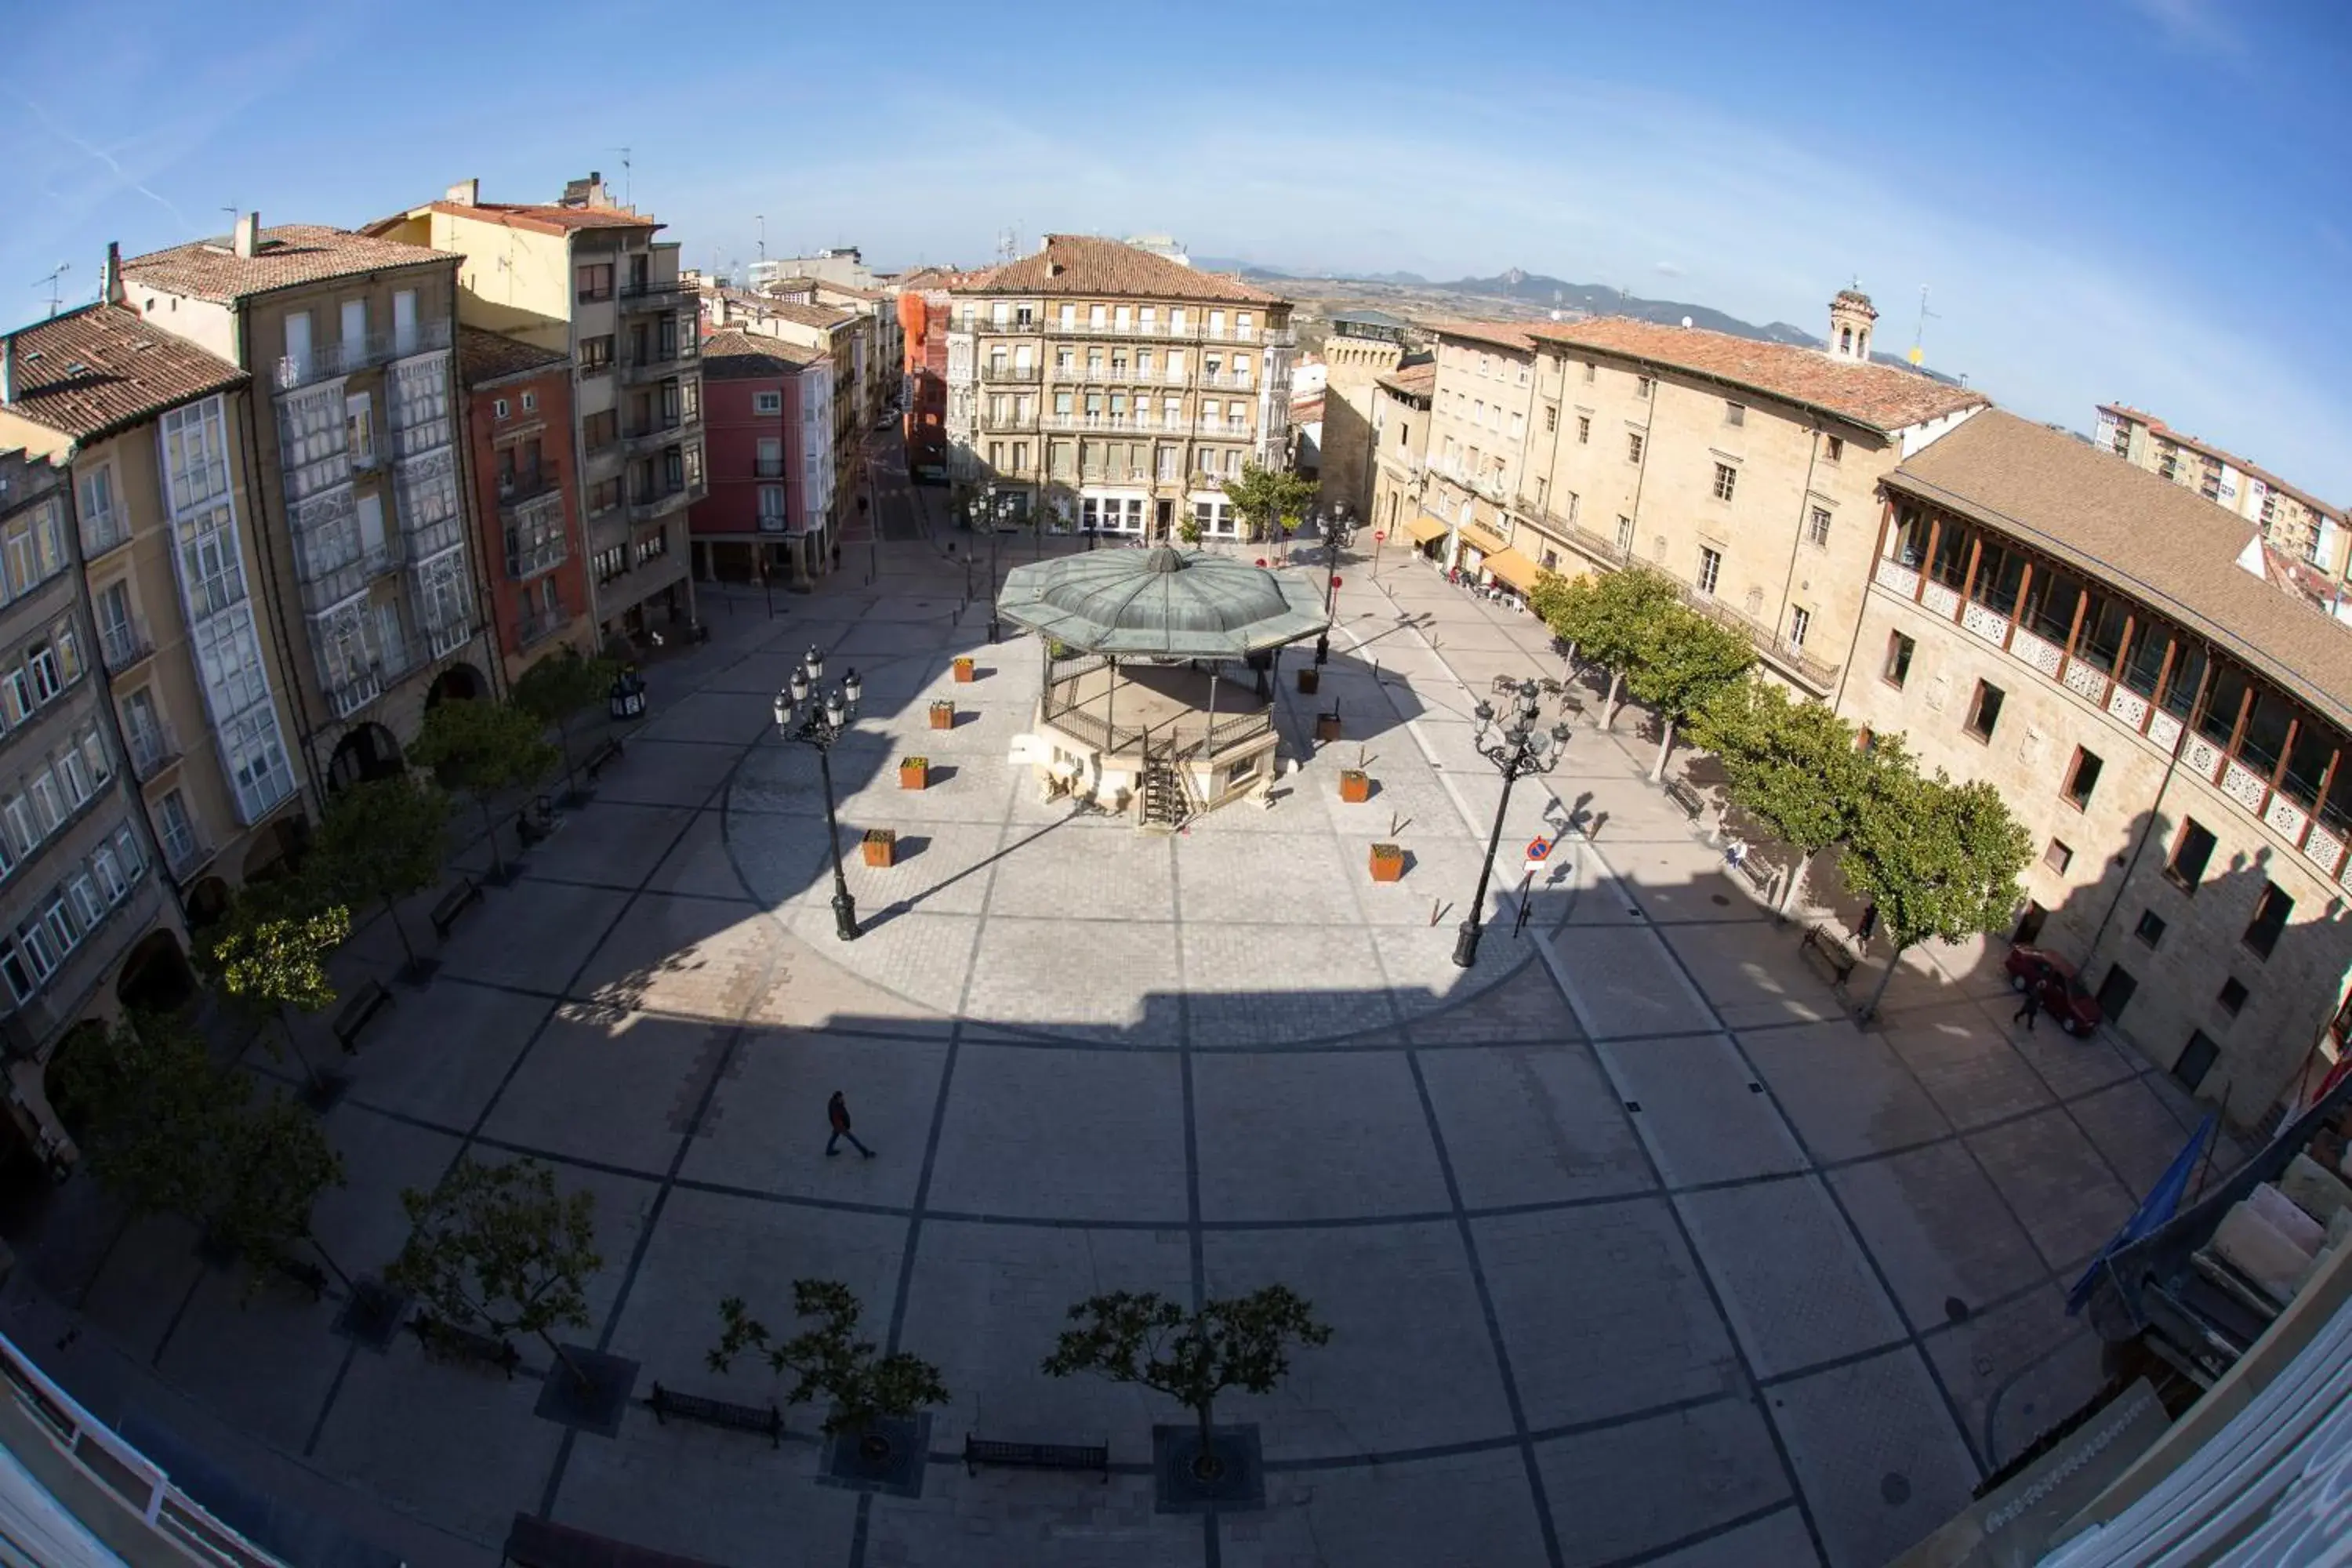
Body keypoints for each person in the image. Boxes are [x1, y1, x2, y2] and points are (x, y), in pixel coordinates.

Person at [826, 1091, 874, 1158]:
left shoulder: (836, 1104)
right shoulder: (836, 1107)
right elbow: (837, 1117)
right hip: (840, 1126)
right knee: (852, 1139)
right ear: (838, 1097)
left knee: (835, 1136)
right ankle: (865, 1152)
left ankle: (828, 1150)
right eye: (841, 1097)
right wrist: (842, 1126)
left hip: (839, 1125)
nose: (842, 1098)